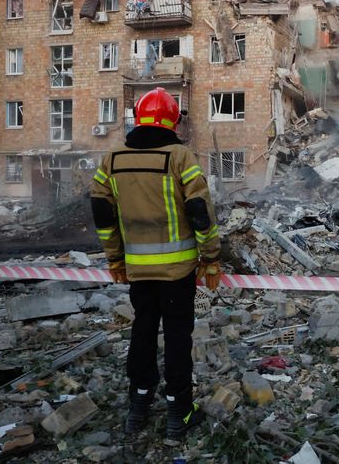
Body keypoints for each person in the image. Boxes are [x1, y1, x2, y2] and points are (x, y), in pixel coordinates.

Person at [90, 87, 221, 441]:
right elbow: (200, 213)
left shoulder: (112, 160)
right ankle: (179, 412)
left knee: (142, 332)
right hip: (178, 273)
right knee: (178, 338)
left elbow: (102, 214)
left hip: (137, 271)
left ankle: (139, 405)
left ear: (138, 118)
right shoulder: (180, 157)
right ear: (173, 120)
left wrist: (114, 257)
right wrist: (210, 258)